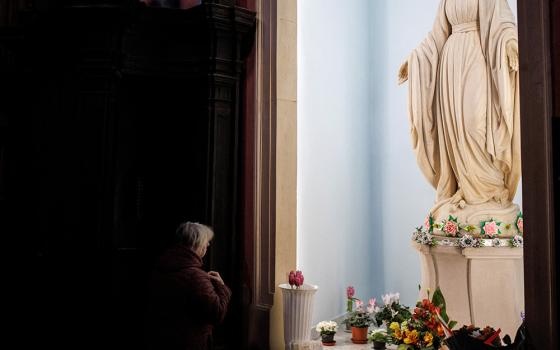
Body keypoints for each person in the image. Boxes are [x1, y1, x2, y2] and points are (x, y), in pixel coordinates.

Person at [398, 0, 521, 232]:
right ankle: (463, 187)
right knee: (455, 128)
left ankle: (488, 191)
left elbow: (504, 23)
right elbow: (437, 35)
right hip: (450, 62)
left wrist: (510, 43)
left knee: (475, 125)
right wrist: (414, 59)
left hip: (478, 55)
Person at [147, 222, 231, 350]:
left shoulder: (159, 267)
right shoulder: (195, 277)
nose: (208, 245)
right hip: (190, 342)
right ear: (197, 243)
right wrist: (221, 286)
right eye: (206, 241)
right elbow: (217, 313)